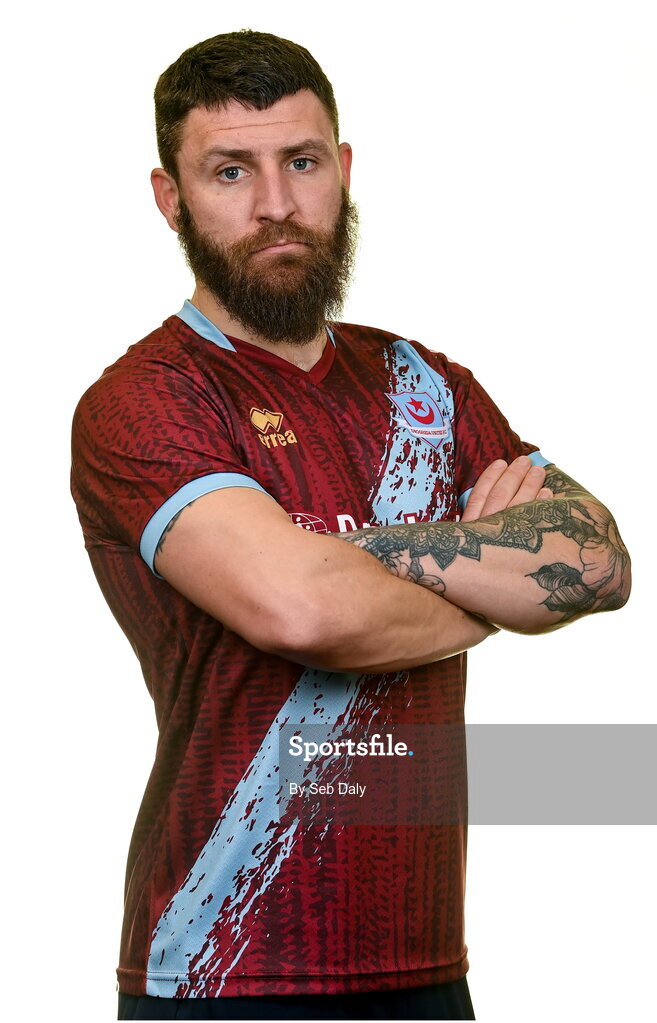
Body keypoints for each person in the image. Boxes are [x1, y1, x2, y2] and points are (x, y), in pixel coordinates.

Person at [70, 29, 631, 1022]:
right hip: (225, 965)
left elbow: (597, 563)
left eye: (302, 162)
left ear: (343, 169)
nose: (275, 203)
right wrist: (492, 590)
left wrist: (346, 557)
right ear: (170, 197)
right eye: (230, 171)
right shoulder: (149, 399)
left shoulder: (428, 387)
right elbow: (302, 613)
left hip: (424, 961)